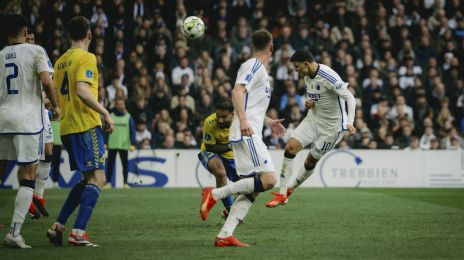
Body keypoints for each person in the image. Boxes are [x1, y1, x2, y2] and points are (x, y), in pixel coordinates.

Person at [199, 29, 286, 247]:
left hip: (249, 129)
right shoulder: (254, 65)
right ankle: (215, 193)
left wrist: (269, 122)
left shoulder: (261, 72)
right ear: (271, 46)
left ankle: (225, 235)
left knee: (255, 188)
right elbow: (237, 92)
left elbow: (250, 105)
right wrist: (245, 121)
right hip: (246, 132)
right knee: (270, 180)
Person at [46, 16, 114, 248]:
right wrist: (105, 112)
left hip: (66, 128)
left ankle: (59, 226)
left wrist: (56, 107)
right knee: (99, 178)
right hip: (85, 124)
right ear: (90, 35)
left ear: (68, 35)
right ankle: (78, 233)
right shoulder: (87, 57)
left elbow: (51, 97)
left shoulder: (60, 61)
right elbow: (82, 91)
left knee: (87, 180)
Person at [265, 49, 356, 208]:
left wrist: (350, 121)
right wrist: (311, 102)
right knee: (290, 148)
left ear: (306, 64)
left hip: (331, 129)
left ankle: (290, 191)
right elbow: (319, 96)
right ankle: (282, 193)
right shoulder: (306, 76)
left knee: (310, 162)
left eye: (297, 66)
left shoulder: (328, 76)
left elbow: (349, 97)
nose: (296, 70)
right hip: (313, 119)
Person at [0, 14, 59, 248]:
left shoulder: (1, 54)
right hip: (26, 121)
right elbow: (46, 81)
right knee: (27, 175)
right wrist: (55, 105)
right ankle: (14, 233)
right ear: (25, 31)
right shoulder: (36, 51)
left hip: (3, 119)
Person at [25, 28, 53, 219]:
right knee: (30, 159)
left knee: (48, 152)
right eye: (28, 38)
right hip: (27, 110)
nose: (31, 41)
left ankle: (38, 196)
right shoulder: (18, 55)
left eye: (33, 38)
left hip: (42, 109)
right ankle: (28, 200)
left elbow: (49, 79)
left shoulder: (40, 53)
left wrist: (51, 101)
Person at [198, 99, 235, 217]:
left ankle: (229, 209)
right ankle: (231, 212)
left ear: (232, 114)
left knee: (250, 185)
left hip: (232, 156)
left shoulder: (241, 121)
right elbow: (210, 147)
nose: (220, 119)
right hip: (210, 151)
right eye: (218, 115)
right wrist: (230, 145)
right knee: (221, 173)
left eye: (224, 117)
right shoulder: (210, 122)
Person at [105, 97, 136, 188]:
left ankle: (125, 183)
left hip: (124, 145)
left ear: (124, 105)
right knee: (110, 165)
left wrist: (133, 144)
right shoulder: (110, 116)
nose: (119, 106)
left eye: (121, 104)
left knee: (125, 165)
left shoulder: (128, 117)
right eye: (118, 104)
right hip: (112, 144)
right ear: (115, 105)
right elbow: (106, 130)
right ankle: (108, 183)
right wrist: (105, 142)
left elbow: (132, 132)